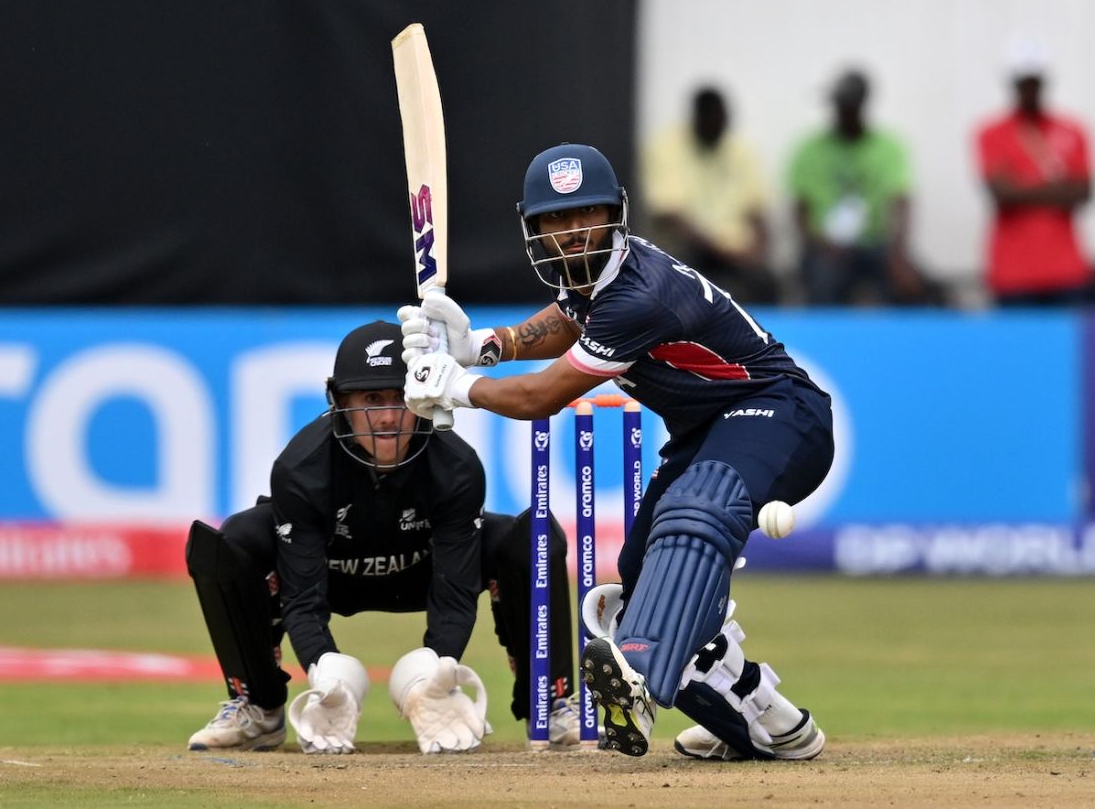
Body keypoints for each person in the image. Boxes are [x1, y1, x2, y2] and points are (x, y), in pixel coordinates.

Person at [398, 144, 832, 760]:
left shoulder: (642, 295)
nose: (574, 232)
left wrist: (458, 386)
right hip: (705, 432)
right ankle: (767, 718)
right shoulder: (591, 284)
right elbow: (568, 320)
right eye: (557, 218)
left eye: (589, 214)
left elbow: (544, 396)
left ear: (616, 214)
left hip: (783, 413)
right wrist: (483, 345)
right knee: (641, 587)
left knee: (694, 515)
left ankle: (638, 680)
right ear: (535, 228)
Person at [184, 320, 578, 755]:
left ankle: (552, 704)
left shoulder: (457, 468)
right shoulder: (301, 469)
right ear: (340, 402)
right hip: (331, 574)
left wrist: (436, 670)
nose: (389, 417)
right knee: (233, 539)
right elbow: (303, 599)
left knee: (531, 538)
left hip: (421, 573)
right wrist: (325, 670)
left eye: (401, 397)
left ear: (424, 397)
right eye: (372, 399)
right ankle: (257, 707)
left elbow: (455, 595)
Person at [788, 68, 936, 305]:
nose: (841, 111)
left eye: (847, 104)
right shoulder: (810, 150)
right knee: (823, 279)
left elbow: (901, 204)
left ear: (861, 105)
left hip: (875, 243)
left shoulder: (889, 147)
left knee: (917, 286)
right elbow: (800, 213)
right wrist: (822, 244)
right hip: (826, 247)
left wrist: (898, 255)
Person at [975, 39, 1095, 305]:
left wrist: (1023, 187)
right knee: (1013, 346)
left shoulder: (1073, 130)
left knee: (1068, 345)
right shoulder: (991, 132)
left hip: (1066, 270)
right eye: (1023, 82)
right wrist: (1059, 190)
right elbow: (1003, 193)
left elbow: (1085, 191)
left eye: (1034, 81)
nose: (1029, 89)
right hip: (1013, 272)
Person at [643, 86, 780, 304]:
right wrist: (721, 250)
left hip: (737, 251)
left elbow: (757, 211)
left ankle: (757, 337)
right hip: (690, 248)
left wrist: (759, 252)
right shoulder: (668, 146)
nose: (718, 128)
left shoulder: (739, 149)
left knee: (766, 282)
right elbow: (670, 216)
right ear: (697, 119)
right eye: (711, 121)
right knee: (684, 277)